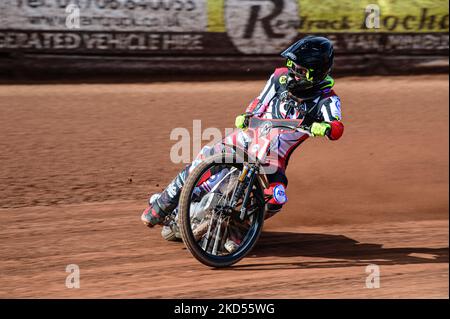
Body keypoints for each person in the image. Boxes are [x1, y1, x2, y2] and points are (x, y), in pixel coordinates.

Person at [141, 36, 344, 241]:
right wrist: (248, 115)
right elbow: (260, 100)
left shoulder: (328, 100)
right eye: (292, 66)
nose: (293, 74)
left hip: (273, 157)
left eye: (300, 71)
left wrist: (324, 127)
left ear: (317, 74)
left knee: (276, 198)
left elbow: (336, 127)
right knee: (206, 158)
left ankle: (238, 230)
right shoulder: (279, 78)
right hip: (248, 137)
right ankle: (162, 205)